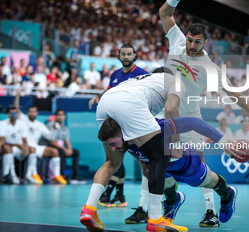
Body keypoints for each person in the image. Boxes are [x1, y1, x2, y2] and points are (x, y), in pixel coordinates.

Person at [157, 0, 249, 227]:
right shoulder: (178, 41)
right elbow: (164, 13)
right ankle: (171, 200)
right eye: (189, 39)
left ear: (205, 42)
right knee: (159, 168)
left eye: (196, 42)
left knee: (198, 170)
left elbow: (233, 93)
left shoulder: (209, 67)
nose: (191, 45)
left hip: (190, 121)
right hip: (166, 114)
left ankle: (212, 210)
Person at [80, 70, 187, 232]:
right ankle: (156, 219)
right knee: (160, 157)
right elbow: (171, 110)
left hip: (105, 101)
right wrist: (176, 143)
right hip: (128, 102)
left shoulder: (143, 81)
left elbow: (128, 134)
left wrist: (141, 159)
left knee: (111, 162)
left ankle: (89, 209)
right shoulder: (177, 81)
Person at [112, 116, 242, 227]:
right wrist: (141, 162)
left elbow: (193, 122)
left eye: (113, 144)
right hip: (163, 164)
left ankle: (227, 195)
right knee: (160, 180)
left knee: (209, 181)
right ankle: (172, 201)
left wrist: (223, 141)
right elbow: (135, 150)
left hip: (186, 162)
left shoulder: (155, 126)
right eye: (109, 145)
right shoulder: (124, 141)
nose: (112, 149)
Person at [89, 43, 148, 209]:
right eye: (123, 54)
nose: (126, 57)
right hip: (115, 124)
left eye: (129, 54)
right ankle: (119, 195)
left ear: (134, 56)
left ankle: (142, 205)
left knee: (143, 161)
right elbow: (108, 91)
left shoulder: (142, 74)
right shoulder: (115, 74)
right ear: (119, 56)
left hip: (134, 123)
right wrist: (98, 97)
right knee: (114, 159)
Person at [14, 90, 67, 184]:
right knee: (33, 149)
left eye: (34, 112)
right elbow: (16, 108)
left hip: (35, 147)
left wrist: (54, 129)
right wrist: (17, 95)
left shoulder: (40, 125)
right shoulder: (24, 120)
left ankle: (57, 175)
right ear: (27, 113)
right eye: (30, 112)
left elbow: (50, 137)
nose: (32, 113)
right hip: (25, 147)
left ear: (37, 113)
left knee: (54, 151)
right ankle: (33, 174)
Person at [46, 109, 86, 184]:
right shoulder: (50, 125)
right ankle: (62, 174)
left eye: (62, 115)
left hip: (62, 148)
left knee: (76, 152)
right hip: (51, 147)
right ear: (55, 116)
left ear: (65, 117)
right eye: (59, 115)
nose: (60, 117)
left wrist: (69, 149)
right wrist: (64, 149)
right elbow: (51, 141)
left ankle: (75, 176)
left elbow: (67, 141)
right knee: (61, 151)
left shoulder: (65, 129)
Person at [0, 107, 32, 184]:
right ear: (8, 114)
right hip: (7, 148)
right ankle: (9, 175)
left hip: (19, 149)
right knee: (9, 150)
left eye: (15, 113)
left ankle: (29, 175)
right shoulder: (3, 124)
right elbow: (3, 141)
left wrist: (26, 148)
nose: (13, 115)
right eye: (11, 113)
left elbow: (25, 140)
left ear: (18, 115)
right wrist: (17, 145)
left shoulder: (22, 124)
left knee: (32, 150)